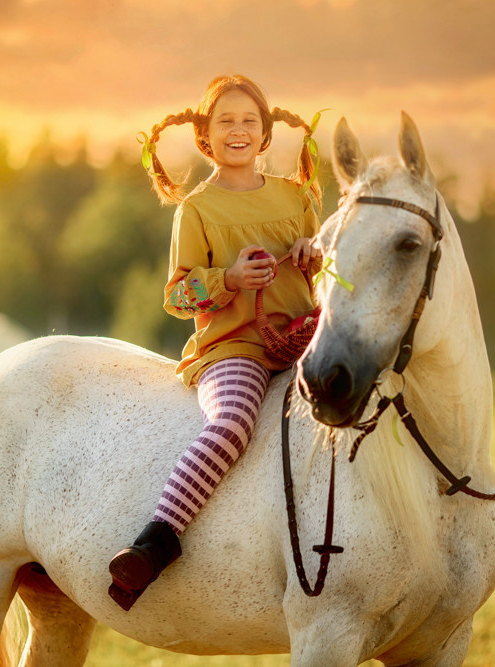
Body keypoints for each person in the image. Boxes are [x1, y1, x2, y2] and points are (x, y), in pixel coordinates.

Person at [108, 74, 324, 611]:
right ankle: (157, 539)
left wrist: (312, 253)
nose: (238, 130)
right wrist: (229, 279)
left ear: (266, 133)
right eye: (225, 121)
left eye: (250, 120)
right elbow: (177, 297)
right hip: (235, 348)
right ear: (205, 136)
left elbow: (325, 270)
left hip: (303, 337)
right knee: (231, 423)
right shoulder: (198, 209)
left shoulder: (295, 196)